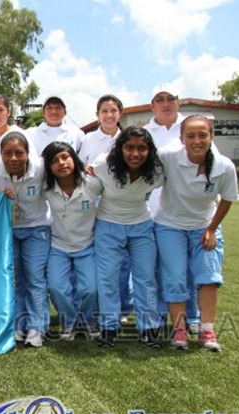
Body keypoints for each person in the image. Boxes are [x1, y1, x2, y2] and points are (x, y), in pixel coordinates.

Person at [154, 115, 238, 352]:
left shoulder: (224, 166)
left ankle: (207, 329)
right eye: (190, 135)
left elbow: (228, 198)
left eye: (202, 134)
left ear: (211, 137)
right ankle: (179, 330)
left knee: (209, 276)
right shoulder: (168, 157)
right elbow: (136, 159)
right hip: (170, 225)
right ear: (181, 139)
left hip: (204, 226)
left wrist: (211, 228)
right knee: (175, 276)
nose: (197, 140)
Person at [92, 126, 164, 348]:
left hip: (141, 226)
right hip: (108, 226)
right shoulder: (103, 164)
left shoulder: (158, 170)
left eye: (142, 148)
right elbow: (86, 177)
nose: (135, 154)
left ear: (149, 150)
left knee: (146, 278)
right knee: (108, 279)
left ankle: (148, 328)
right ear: (120, 148)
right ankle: (109, 327)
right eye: (129, 147)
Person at [143, 85, 201, 335]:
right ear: (152, 105)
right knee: (156, 267)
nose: (165, 103)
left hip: (191, 215)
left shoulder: (193, 128)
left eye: (170, 99)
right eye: (159, 99)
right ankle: (158, 315)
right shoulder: (144, 133)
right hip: (153, 211)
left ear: (178, 103)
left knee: (189, 268)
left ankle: (192, 316)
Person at [0, 131, 51, 347]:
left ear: (28, 153)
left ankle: (37, 327)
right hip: (8, 230)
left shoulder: (41, 168)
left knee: (35, 277)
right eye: (8, 153)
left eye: (19, 153)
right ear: (0, 154)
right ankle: (18, 324)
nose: (13, 158)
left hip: (37, 229)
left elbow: (68, 162)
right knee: (15, 279)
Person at [41, 142, 102, 340]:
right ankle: (69, 323)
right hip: (58, 246)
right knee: (57, 287)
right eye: (54, 161)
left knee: (90, 288)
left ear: (74, 159)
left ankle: (88, 322)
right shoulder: (46, 187)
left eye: (65, 157)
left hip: (87, 244)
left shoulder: (92, 184)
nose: (61, 163)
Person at [82, 95, 134, 325]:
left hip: (124, 206)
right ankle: (101, 306)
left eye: (113, 110)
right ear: (97, 115)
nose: (109, 115)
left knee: (124, 262)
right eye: (104, 111)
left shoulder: (128, 138)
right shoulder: (88, 139)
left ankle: (124, 307)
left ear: (120, 113)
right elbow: (82, 169)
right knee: (101, 260)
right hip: (95, 206)